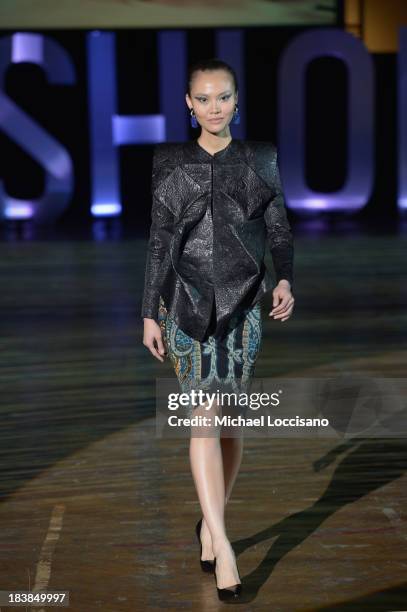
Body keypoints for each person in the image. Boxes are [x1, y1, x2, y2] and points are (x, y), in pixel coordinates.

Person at [141, 58, 295, 600]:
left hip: (244, 302)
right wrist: (146, 311)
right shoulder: (168, 162)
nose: (213, 107)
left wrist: (286, 282)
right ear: (188, 104)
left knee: (229, 420)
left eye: (222, 97)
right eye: (203, 99)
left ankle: (210, 522)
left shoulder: (260, 159)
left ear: (236, 100)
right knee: (203, 416)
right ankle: (224, 543)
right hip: (182, 303)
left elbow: (278, 228)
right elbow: (160, 240)